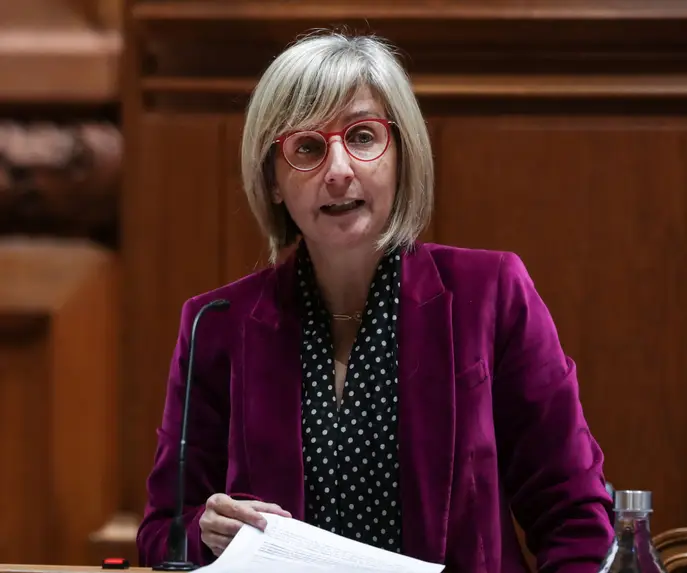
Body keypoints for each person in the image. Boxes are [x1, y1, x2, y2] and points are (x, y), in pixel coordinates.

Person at [136, 30, 614, 573]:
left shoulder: (490, 294)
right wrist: (204, 532)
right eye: (307, 148)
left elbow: (575, 516)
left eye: (363, 137)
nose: (339, 170)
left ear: (401, 157)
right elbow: (161, 532)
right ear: (272, 180)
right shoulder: (217, 324)